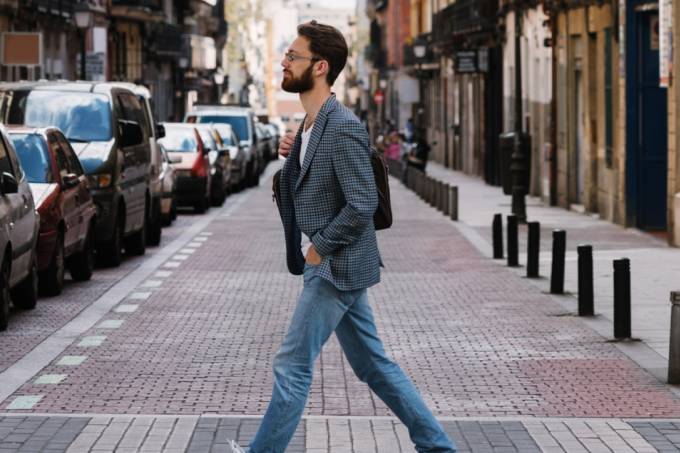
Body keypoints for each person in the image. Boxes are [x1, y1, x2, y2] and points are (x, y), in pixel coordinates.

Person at [229, 21, 457, 453]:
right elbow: (318, 179)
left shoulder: (344, 126)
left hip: (334, 267)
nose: (283, 61)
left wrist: (319, 249)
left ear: (320, 67)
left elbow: (362, 203)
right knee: (374, 365)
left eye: (293, 56)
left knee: (291, 365)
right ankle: (438, 446)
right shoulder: (314, 123)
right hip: (340, 266)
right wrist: (294, 152)